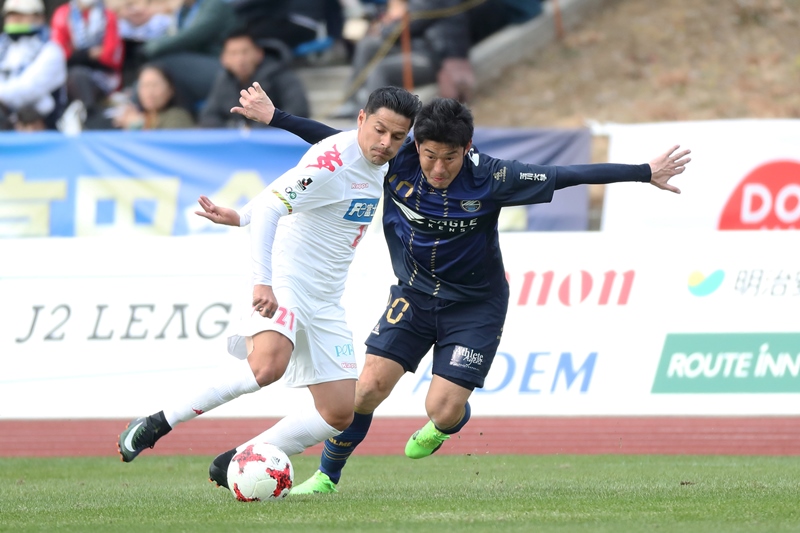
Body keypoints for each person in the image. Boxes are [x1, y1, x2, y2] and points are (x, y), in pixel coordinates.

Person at [207, 83, 691, 494]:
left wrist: (644, 172)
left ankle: (447, 424)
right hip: (414, 296)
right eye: (429, 155)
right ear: (416, 145)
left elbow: (567, 176)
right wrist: (276, 117)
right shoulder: (397, 160)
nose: (438, 169)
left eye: (450, 158)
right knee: (366, 389)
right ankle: (327, 478)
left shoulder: (495, 177)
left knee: (439, 409)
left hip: (475, 306)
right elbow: (338, 140)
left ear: (468, 148)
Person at [117, 87, 422, 482]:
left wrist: (242, 214)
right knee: (267, 366)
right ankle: (157, 422)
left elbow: (289, 181)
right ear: (361, 119)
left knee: (338, 412)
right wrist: (263, 282)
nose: (386, 143)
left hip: (326, 296)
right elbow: (271, 207)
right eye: (379, 130)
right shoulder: (336, 164)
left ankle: (237, 460)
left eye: (397, 136)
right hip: (287, 279)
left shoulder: (377, 156)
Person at [330, 0, 473, 118]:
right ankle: (352, 100)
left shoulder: (434, 3)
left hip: (434, 58)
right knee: (368, 45)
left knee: (381, 70)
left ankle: (374, 117)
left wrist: (387, 24)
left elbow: (407, 24)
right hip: (417, 48)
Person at [199, 29, 309, 129]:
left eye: (245, 52)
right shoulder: (224, 80)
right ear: (224, 59)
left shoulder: (280, 74)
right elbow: (209, 116)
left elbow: (298, 111)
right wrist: (235, 132)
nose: (240, 60)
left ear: (259, 53)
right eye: (233, 53)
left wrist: (255, 131)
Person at [50, 0, 124, 126]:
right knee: (77, 75)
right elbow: (59, 52)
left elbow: (112, 55)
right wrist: (89, 54)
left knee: (81, 76)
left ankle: (89, 118)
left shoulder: (108, 15)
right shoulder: (62, 14)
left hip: (103, 75)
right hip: (69, 74)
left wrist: (77, 52)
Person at [0, 0, 67, 130]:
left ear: (39, 18)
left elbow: (26, 90)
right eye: (10, 15)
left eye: (21, 14)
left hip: (43, 129)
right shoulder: (3, 47)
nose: (14, 19)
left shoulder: (51, 50)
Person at [112, 64, 194, 129]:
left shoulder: (178, 117)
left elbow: (167, 143)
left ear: (170, 90)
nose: (149, 92)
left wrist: (139, 126)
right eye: (145, 86)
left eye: (155, 85)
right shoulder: (137, 116)